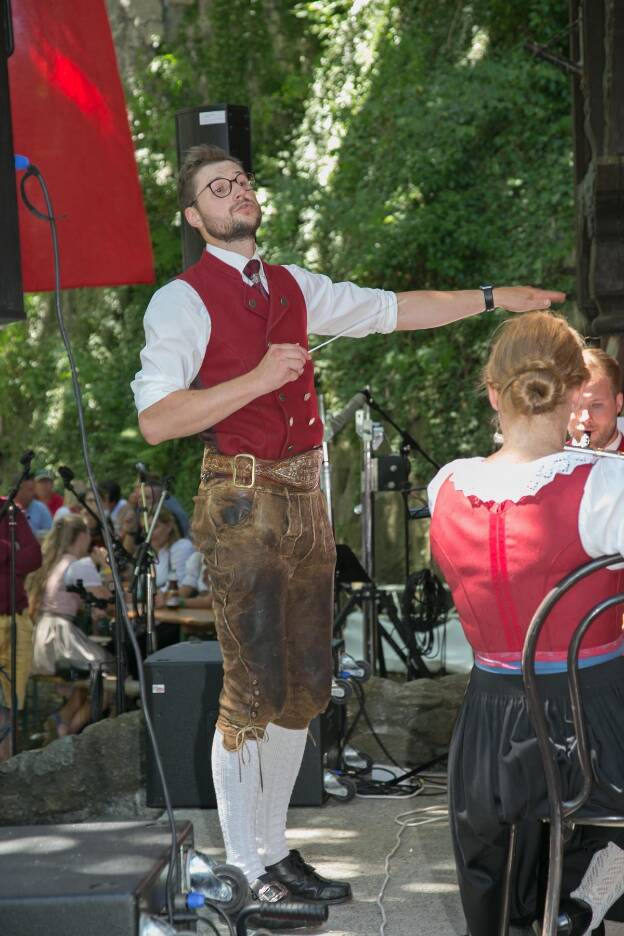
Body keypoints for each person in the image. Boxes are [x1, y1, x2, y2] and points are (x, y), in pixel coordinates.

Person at [131, 142, 565, 914]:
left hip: (305, 495)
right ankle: (241, 870)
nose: (236, 191)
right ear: (195, 218)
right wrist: (258, 379)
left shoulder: (295, 286)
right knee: (250, 692)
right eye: (215, 188)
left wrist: (498, 298)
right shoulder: (181, 300)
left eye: (240, 181)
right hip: (242, 497)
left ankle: (273, 853)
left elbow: (399, 309)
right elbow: (157, 419)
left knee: (304, 687)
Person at [428, 311, 624, 936]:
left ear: (493, 391)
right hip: (596, 719)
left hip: (488, 729)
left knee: (501, 867)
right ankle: (580, 908)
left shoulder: (447, 486)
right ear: (574, 392)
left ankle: (535, 916)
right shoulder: (607, 483)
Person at [27, 514, 114, 738]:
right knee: (112, 677)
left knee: (85, 682)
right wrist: (105, 566)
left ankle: (61, 720)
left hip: (43, 637)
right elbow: (110, 599)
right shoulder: (79, 565)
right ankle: (70, 734)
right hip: (60, 636)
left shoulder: (53, 561)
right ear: (82, 536)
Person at [0, 495, 42, 761]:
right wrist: (11, 550)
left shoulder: (11, 511)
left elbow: (33, 557)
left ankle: (9, 778)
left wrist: (3, 551)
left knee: (10, 705)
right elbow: (19, 558)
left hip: (16, 620)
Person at [569, 347, 624, 451]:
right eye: (575, 405)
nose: (585, 419)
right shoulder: (546, 464)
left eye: (596, 405)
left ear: (618, 404)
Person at [15, 473, 52, 539]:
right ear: (18, 490)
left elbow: (50, 533)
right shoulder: (5, 507)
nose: (34, 493)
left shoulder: (41, 508)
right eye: (30, 489)